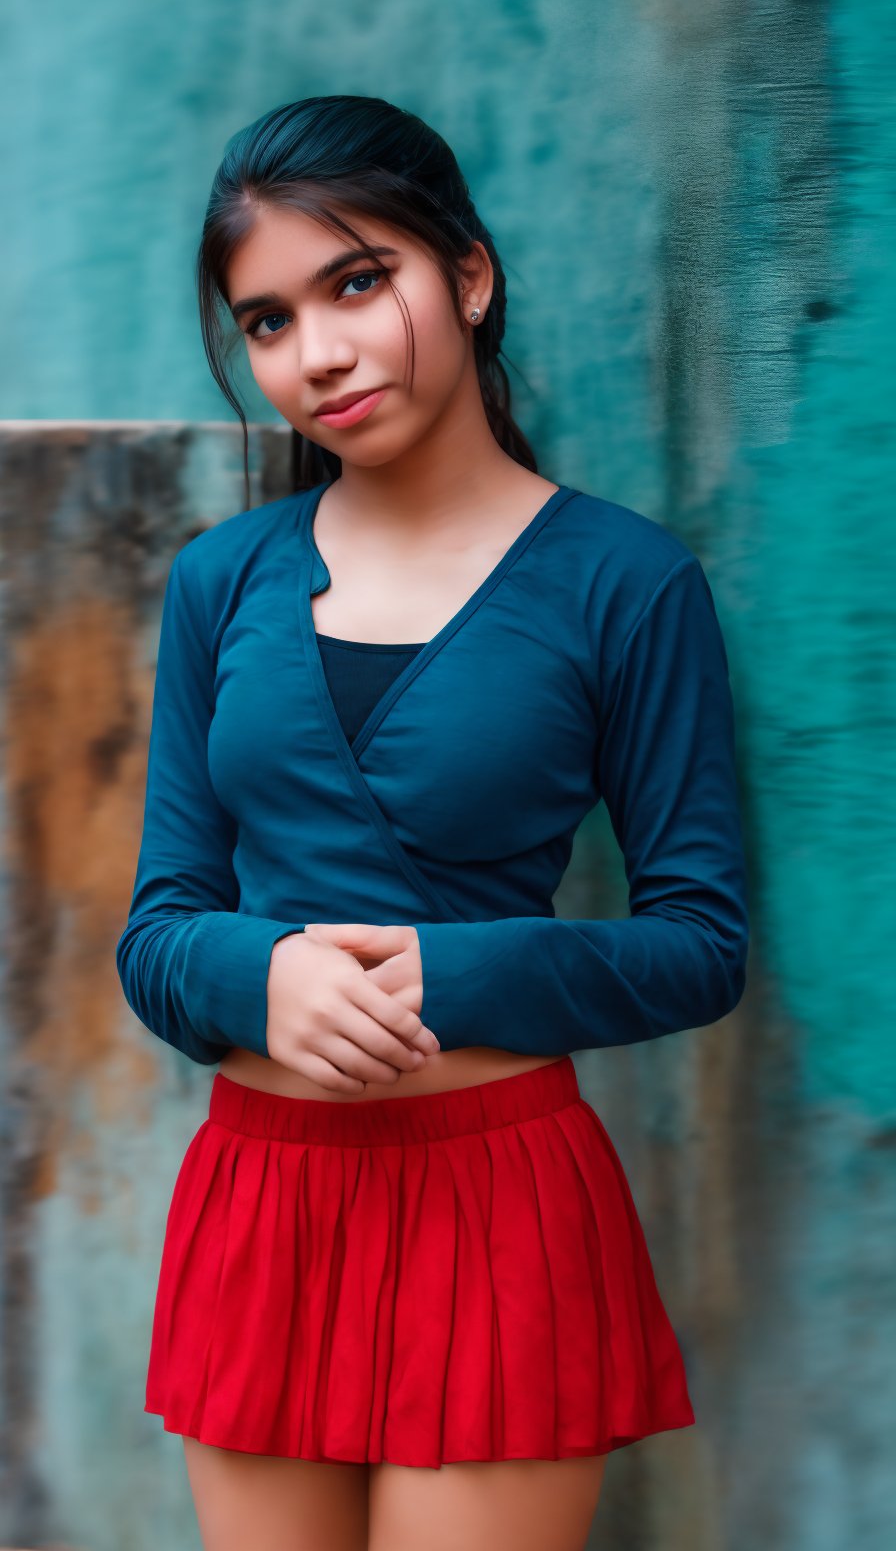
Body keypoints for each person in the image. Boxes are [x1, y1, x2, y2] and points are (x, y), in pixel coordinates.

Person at [116, 94, 749, 1551]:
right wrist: (257, 977)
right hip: (262, 1206)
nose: (318, 353)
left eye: (358, 281)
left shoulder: (625, 583)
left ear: (466, 274)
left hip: (500, 1205)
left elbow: (700, 942)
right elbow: (159, 933)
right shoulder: (222, 582)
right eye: (266, 321)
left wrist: (455, 972)